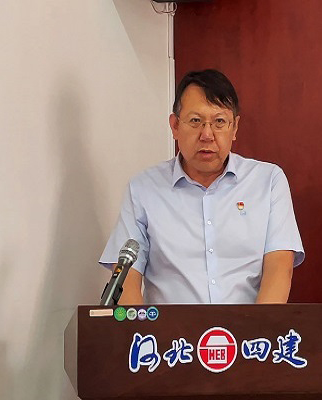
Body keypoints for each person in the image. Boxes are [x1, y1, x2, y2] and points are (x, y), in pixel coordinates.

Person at [99, 69, 303, 304]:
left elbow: (280, 268)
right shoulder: (143, 189)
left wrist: (256, 326)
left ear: (235, 128)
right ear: (175, 126)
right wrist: (139, 327)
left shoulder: (267, 181)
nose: (207, 134)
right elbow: (127, 279)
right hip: (170, 329)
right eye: (196, 121)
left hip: (247, 327)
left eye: (219, 122)